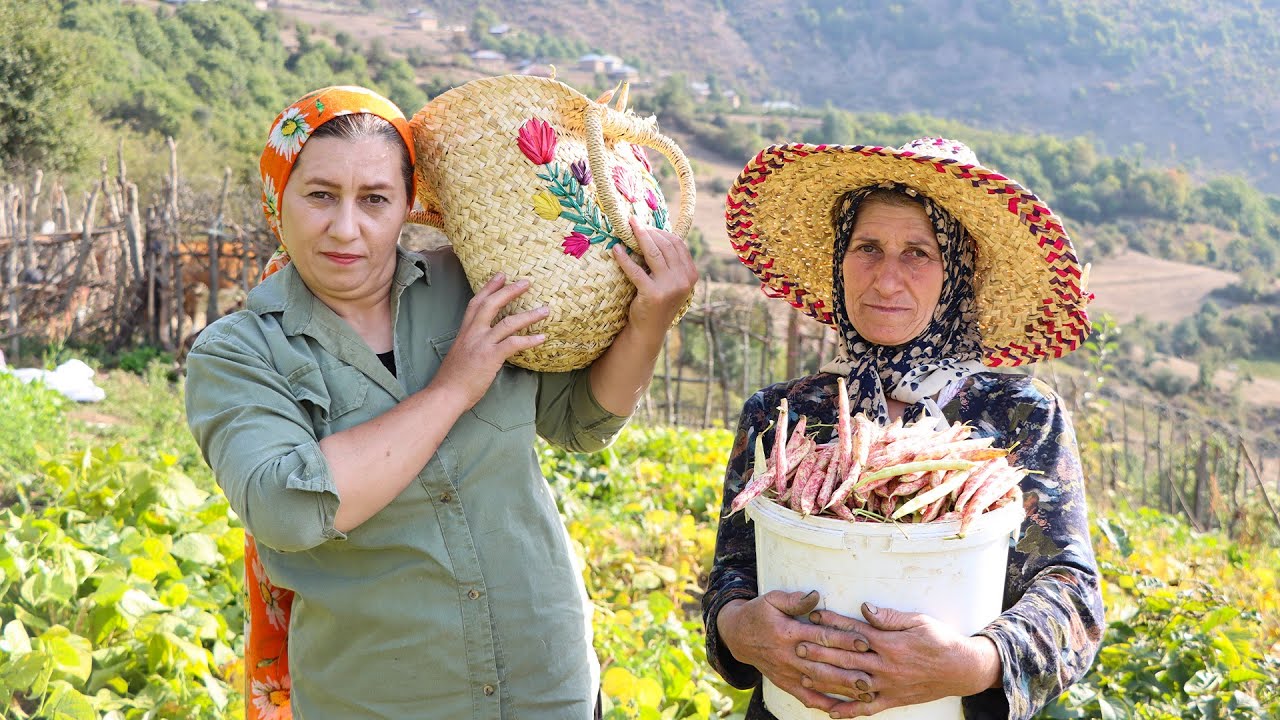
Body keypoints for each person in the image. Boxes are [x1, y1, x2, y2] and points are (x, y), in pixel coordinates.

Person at [184, 86, 697, 720]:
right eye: (320, 195)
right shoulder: (238, 353)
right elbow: (285, 506)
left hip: (548, 687)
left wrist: (649, 322)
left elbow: (578, 421)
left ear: (407, 206)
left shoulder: (476, 282)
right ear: (277, 199)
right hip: (378, 702)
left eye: (374, 199)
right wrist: (452, 389)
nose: (347, 227)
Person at [702, 138, 1104, 719]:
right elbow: (733, 574)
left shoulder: (1018, 415)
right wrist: (742, 629)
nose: (886, 280)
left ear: (958, 275)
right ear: (840, 261)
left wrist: (974, 663)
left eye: (918, 253)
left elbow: (1073, 596)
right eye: (867, 248)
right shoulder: (782, 414)